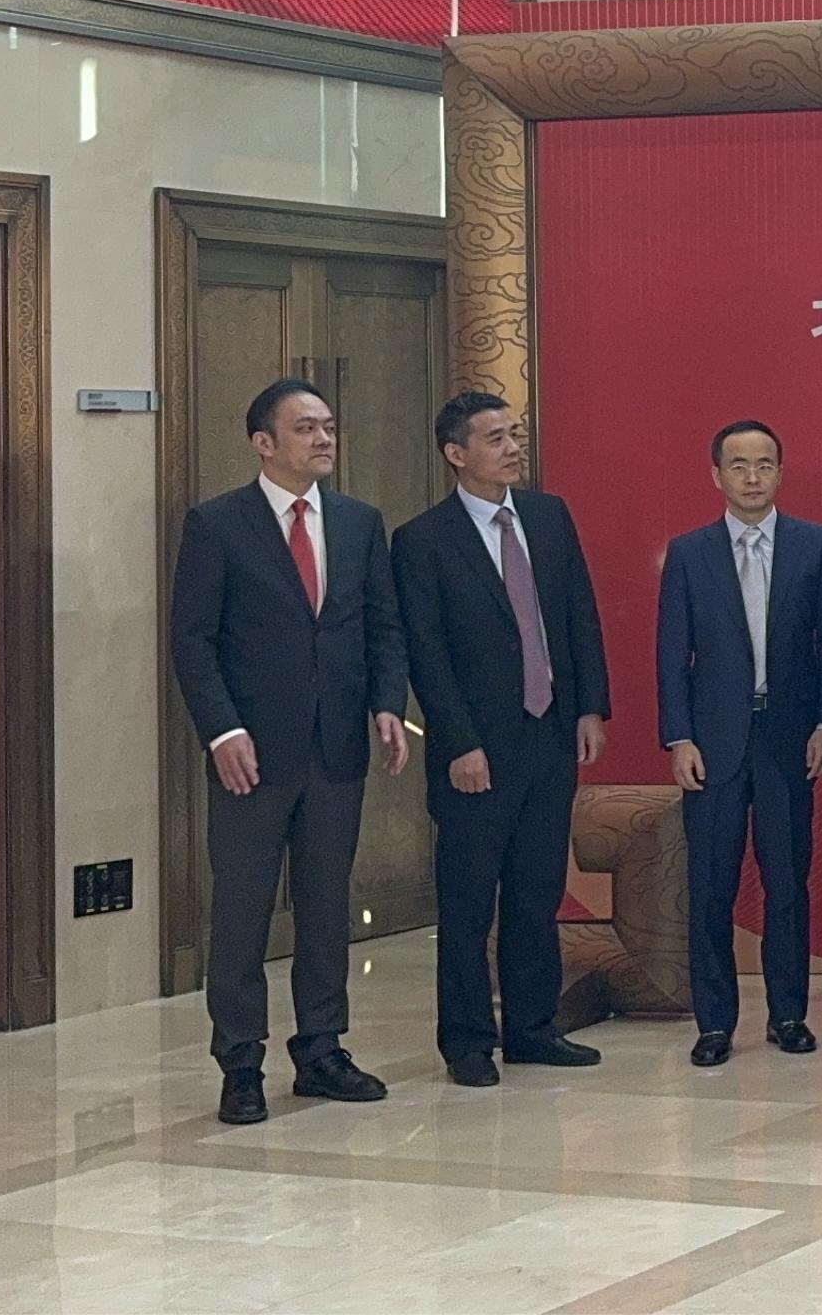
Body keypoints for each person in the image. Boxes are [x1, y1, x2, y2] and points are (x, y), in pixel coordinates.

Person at [169, 377, 410, 1125]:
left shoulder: (359, 522)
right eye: (306, 427)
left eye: (328, 425)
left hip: (335, 746)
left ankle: (322, 1049)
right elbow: (193, 640)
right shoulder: (218, 524)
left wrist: (388, 705)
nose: (324, 438)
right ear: (263, 442)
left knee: (326, 904)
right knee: (242, 910)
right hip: (252, 751)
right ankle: (240, 1061)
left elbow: (382, 625)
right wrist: (222, 730)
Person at [392, 391, 612, 1089]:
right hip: (475, 750)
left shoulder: (547, 517)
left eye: (514, 434)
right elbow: (425, 652)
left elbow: (578, 614)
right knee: (468, 904)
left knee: (536, 892)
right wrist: (458, 742)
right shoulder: (423, 540)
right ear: (456, 453)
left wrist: (590, 708)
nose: (513, 447)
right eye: (495, 438)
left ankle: (533, 1028)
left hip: (549, 734)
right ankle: (466, 1042)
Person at [658, 420, 822, 1067]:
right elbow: (671, 653)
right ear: (716, 475)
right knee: (711, 885)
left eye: (764, 464)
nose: (752, 476)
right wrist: (679, 736)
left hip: (789, 739)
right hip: (712, 744)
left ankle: (788, 1014)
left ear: (780, 472)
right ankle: (715, 1023)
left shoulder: (814, 544)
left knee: (787, 883)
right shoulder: (689, 552)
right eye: (738, 465)